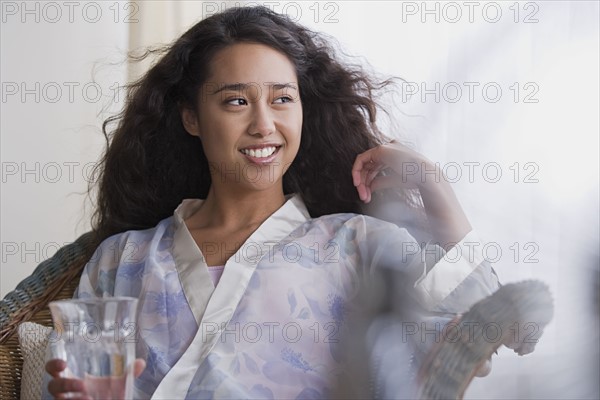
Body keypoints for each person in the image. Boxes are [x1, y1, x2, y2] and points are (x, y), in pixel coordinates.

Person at [43, 5, 517, 399]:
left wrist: (433, 186)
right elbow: (75, 381)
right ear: (191, 117)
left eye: (282, 99)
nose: (264, 125)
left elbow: (495, 328)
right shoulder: (122, 258)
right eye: (235, 102)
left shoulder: (358, 243)